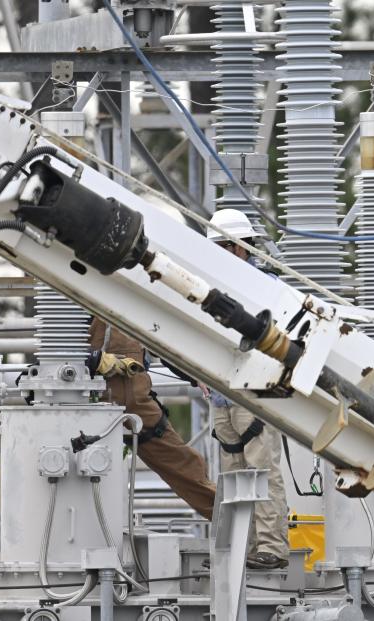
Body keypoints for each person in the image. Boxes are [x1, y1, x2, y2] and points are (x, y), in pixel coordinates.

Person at [202, 208, 290, 570]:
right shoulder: (210, 284)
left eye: (225, 245)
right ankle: (245, 549)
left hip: (254, 393)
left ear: (242, 248)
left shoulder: (264, 286)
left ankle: (271, 548)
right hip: (222, 393)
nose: (220, 253)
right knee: (234, 476)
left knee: (261, 470)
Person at [87, 319, 216, 519]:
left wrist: (194, 374)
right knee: (79, 474)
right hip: (87, 402)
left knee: (184, 464)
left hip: (131, 406)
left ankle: (235, 522)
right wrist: (93, 359)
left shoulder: (125, 303)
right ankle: (236, 522)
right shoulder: (85, 302)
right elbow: (60, 348)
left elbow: (161, 342)